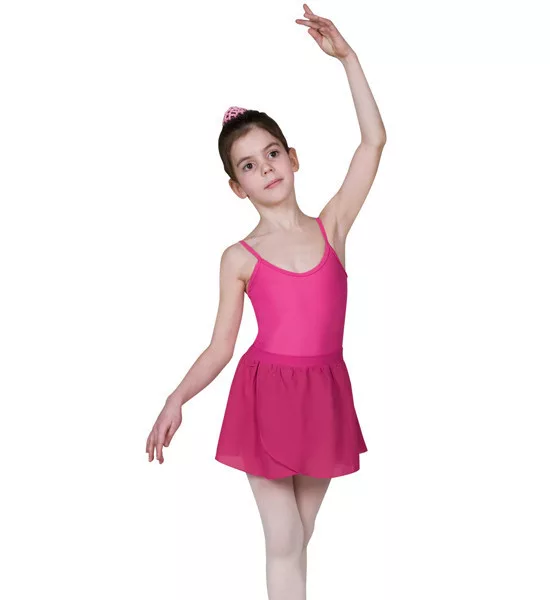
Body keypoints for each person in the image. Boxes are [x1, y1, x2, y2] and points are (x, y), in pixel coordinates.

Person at [146, 4, 386, 599]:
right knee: (283, 538)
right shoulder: (239, 257)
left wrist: (348, 60)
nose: (266, 169)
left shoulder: (333, 226)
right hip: (266, 395)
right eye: (249, 165)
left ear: (293, 157)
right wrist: (176, 398)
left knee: (299, 537)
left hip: (325, 393)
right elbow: (220, 346)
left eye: (273, 154)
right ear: (237, 186)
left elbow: (373, 142)